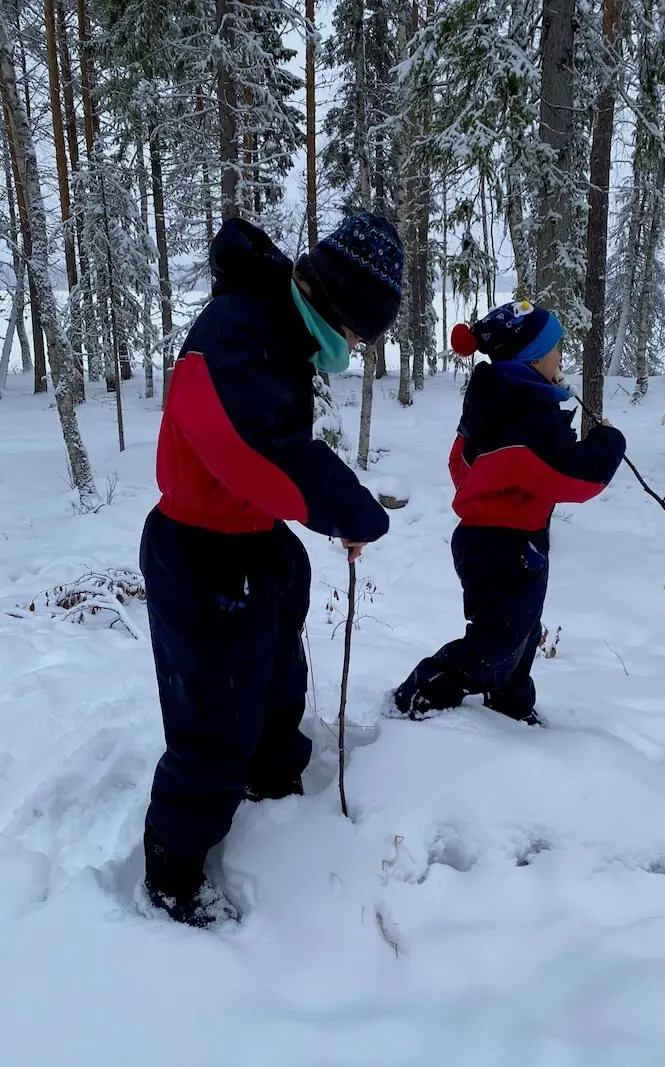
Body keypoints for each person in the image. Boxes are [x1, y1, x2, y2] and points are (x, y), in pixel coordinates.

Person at [139, 213, 403, 928]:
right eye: (357, 335)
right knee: (212, 720)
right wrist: (351, 510)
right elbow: (262, 450)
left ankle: (273, 769)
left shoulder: (279, 330)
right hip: (199, 554)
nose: (351, 351)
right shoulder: (238, 330)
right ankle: (175, 869)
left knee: (276, 664)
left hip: (251, 542)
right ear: (339, 310)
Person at [393, 299, 626, 725]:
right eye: (556, 348)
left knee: (522, 630)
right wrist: (608, 445)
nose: (562, 357)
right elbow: (574, 478)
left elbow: (459, 463)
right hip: (503, 545)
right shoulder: (525, 418)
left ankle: (511, 706)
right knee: (497, 642)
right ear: (533, 359)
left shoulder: (497, 405)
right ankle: (422, 691)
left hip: (505, 539)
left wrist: (495, 488)